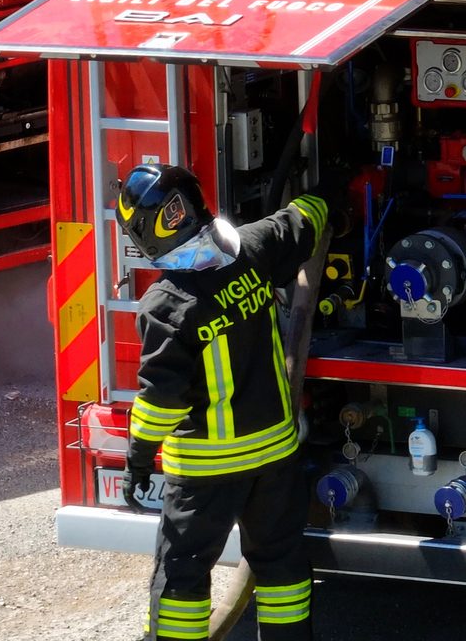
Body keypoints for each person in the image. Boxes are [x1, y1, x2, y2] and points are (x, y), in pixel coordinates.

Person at [116, 163, 327, 641]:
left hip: (207, 473)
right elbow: (304, 219)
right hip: (276, 457)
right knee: (281, 566)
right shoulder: (253, 248)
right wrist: (329, 190)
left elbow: (162, 403)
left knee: (183, 576)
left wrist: (138, 459)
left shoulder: (165, 306)